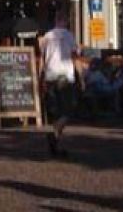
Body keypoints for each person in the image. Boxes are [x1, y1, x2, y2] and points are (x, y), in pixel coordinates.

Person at [38, 14, 79, 157]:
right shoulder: (69, 36)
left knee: (56, 110)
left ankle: (55, 144)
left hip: (50, 76)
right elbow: (75, 56)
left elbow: (42, 60)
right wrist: (81, 77)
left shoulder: (47, 36)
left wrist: (40, 77)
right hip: (65, 75)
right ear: (65, 21)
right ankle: (55, 134)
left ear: (55, 21)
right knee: (68, 108)